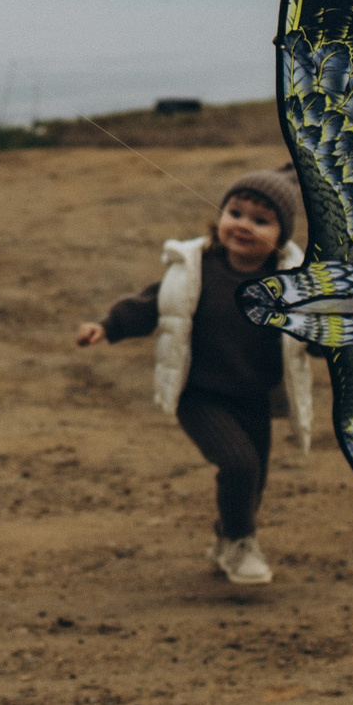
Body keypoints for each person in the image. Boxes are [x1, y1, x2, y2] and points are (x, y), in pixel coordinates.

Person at [75, 169, 311, 586]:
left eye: (261, 220)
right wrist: (108, 326)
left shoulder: (291, 285)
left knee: (252, 479)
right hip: (200, 395)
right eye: (235, 212)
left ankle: (226, 537)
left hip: (254, 398)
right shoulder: (195, 268)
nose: (243, 225)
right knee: (238, 464)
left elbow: (315, 334)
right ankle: (240, 544)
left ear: (282, 234)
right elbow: (149, 305)